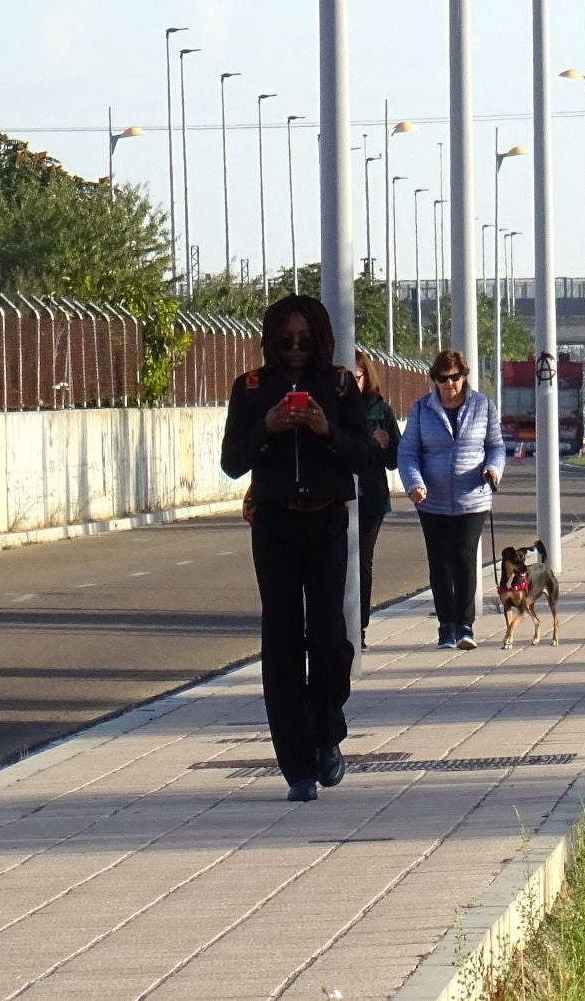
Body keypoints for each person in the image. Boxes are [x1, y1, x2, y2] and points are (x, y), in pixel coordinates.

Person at [220, 294, 377, 803]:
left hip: (327, 522)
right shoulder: (250, 389)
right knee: (283, 642)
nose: (293, 348)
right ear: (269, 340)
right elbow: (232, 462)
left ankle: (327, 731)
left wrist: (323, 428)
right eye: (284, 340)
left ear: (320, 340)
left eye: (303, 340)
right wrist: (266, 428)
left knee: (330, 637)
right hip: (274, 525)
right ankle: (298, 767)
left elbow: (361, 457)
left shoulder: (338, 385)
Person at [397, 349, 505, 651]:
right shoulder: (421, 410)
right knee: (440, 560)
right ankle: (446, 625)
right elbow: (408, 453)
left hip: (474, 497)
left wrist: (493, 469)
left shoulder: (483, 406)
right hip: (432, 499)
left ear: (464, 376)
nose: (449, 384)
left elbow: (496, 446)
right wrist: (414, 484)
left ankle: (465, 625)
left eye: (454, 377)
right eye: (443, 379)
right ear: (435, 380)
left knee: (464, 556)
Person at [353, 349, 401, 650]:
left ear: (366, 376)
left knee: (362, 562)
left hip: (370, 497)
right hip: (338, 497)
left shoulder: (380, 411)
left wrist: (384, 445)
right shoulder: (333, 408)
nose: (352, 382)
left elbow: (395, 459)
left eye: (356, 376)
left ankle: (359, 627)